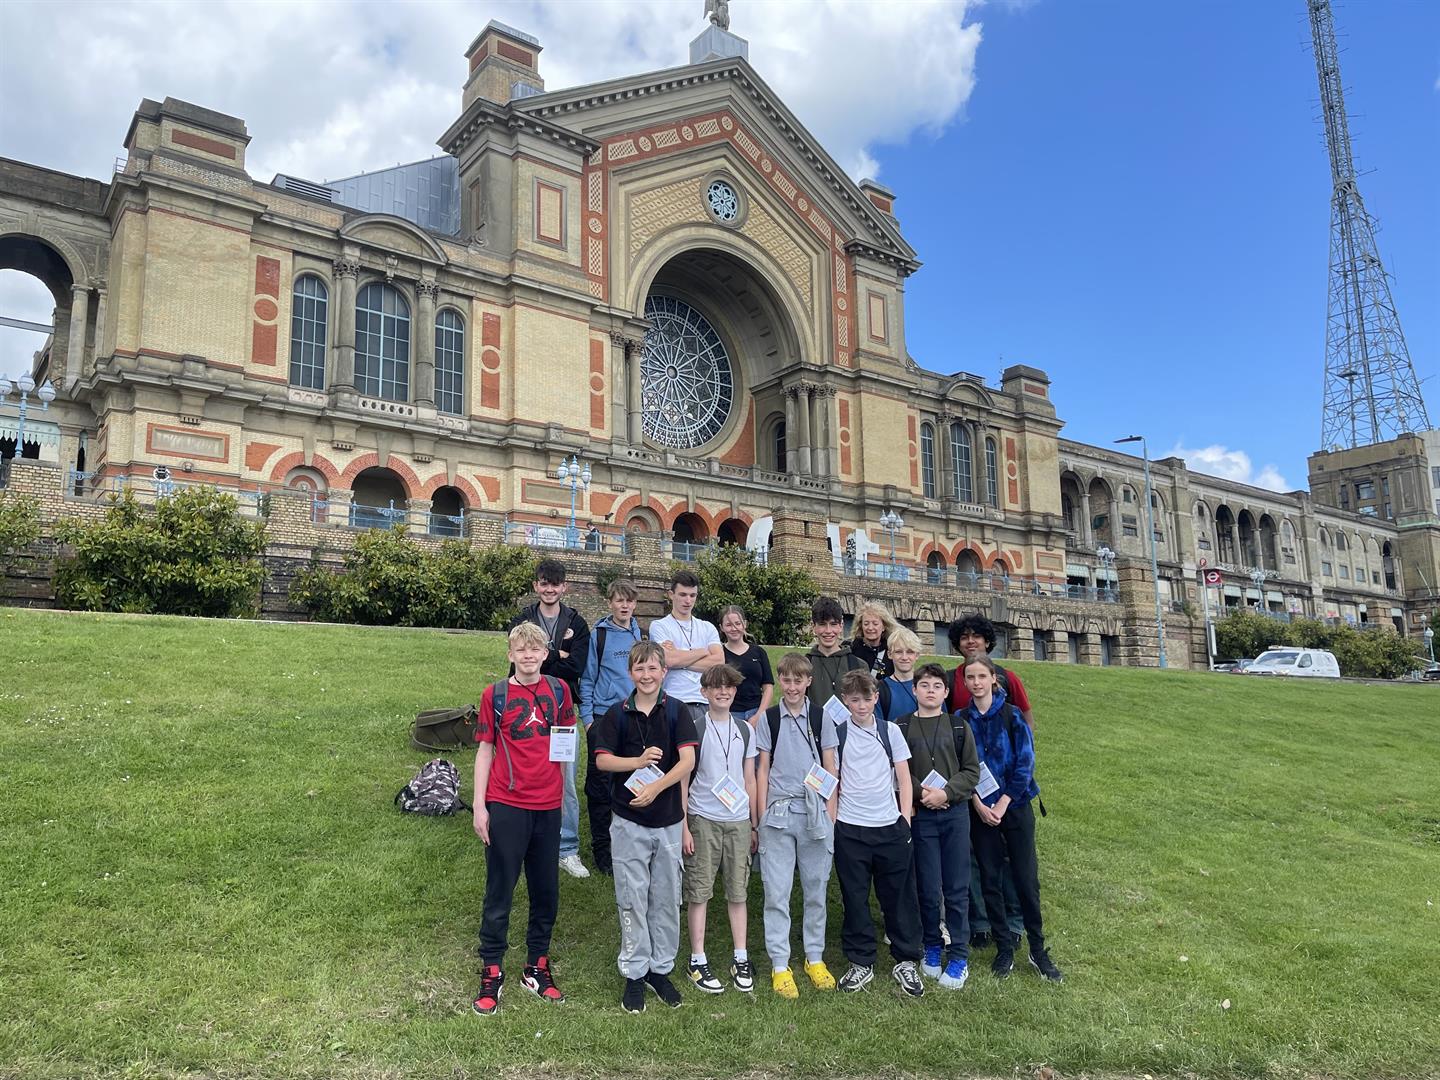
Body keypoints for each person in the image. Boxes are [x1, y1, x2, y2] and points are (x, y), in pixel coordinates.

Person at [470, 623, 578, 1015]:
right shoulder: (495, 695)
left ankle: (536, 965)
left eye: (535, 649)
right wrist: (479, 806)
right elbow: (485, 750)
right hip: (506, 802)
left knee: (546, 889)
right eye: (521, 650)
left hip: (547, 806)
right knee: (500, 888)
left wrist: (562, 797)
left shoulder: (559, 691)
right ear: (510, 655)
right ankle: (492, 968)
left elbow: (566, 745)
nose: (528, 655)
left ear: (545, 654)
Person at [592, 641, 699, 1013]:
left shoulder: (677, 711)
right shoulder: (617, 714)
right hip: (628, 822)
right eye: (639, 668)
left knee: (666, 898)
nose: (646, 675)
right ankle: (635, 972)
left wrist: (656, 787)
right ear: (630, 673)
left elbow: (687, 761)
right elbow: (603, 761)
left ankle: (660, 970)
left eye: (653, 668)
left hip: (668, 821)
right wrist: (636, 762)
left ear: (664, 671)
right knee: (632, 897)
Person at [960, 656, 1063, 983]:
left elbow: (1025, 764)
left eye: (982, 676)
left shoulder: (1012, 715)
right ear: (965, 682)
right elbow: (961, 767)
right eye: (970, 677)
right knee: (989, 877)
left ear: (993, 678)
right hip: (980, 809)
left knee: (1025, 878)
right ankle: (1004, 946)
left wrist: (1004, 802)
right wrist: (977, 803)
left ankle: (1037, 948)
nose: (976, 682)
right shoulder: (960, 720)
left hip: (1014, 806)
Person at [830, 669, 925, 997]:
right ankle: (861, 962)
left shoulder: (890, 731)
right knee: (855, 898)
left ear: (875, 698)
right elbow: (833, 782)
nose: (861, 705)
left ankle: (906, 960)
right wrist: (834, 823)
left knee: (899, 897)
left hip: (890, 828)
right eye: (855, 699)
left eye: (867, 699)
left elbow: (904, 780)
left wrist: (904, 821)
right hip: (851, 829)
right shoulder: (838, 734)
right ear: (845, 700)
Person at [756, 652, 838, 998]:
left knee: (816, 890)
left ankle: (814, 958)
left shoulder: (821, 718)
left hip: (815, 815)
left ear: (808, 682)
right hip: (777, 815)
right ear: (780, 681)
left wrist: (830, 816)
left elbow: (831, 768)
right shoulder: (769, 718)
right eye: (786, 680)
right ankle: (780, 963)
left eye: (798, 680)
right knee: (777, 892)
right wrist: (760, 817)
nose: (791, 687)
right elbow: (762, 769)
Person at [946, 613, 1031, 948]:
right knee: (975, 857)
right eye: (964, 636)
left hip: (1008, 788)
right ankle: (980, 921)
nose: (970, 641)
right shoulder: (952, 682)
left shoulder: (1009, 681)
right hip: (972, 786)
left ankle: (1013, 922)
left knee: (1010, 859)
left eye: (976, 636)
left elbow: (1024, 723)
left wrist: (1016, 777)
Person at [897, 662, 980, 990]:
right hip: (921, 818)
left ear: (945, 692)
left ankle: (959, 955)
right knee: (928, 888)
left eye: (936, 686)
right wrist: (923, 794)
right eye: (924, 685)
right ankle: (932, 945)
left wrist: (946, 793)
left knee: (956, 888)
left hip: (954, 816)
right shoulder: (901, 726)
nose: (930, 691)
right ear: (914, 690)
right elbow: (898, 770)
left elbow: (971, 770)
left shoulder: (958, 726)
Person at [509, 558, 592, 879]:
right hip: (525, 708)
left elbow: (577, 667)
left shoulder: (577, 623)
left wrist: (546, 658)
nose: (549, 589)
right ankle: (527, 841)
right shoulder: (522, 620)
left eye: (555, 584)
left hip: (562, 711)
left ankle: (567, 848)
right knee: (526, 773)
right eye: (544, 583)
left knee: (565, 779)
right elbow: (520, 663)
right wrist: (559, 654)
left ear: (564, 587)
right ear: (536, 585)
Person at [681, 664, 759, 994]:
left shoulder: (745, 730)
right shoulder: (695, 728)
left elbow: (750, 778)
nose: (723, 692)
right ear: (704, 692)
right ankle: (697, 958)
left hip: (738, 820)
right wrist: (684, 826)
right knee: (699, 890)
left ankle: (741, 956)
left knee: (738, 891)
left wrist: (753, 823)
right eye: (716, 687)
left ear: (735, 692)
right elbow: (683, 780)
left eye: (728, 687)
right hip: (703, 818)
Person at [578, 578, 645, 876]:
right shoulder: (599, 635)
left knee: (631, 780)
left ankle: (627, 845)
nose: (624, 606)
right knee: (600, 787)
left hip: (633, 716)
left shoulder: (639, 634)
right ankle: (602, 851)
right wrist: (589, 721)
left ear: (635, 604)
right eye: (619, 600)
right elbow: (587, 679)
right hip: (603, 717)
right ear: (610, 603)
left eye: (629, 601)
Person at [648, 569, 724, 723]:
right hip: (674, 700)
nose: (688, 600)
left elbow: (718, 662)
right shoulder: (659, 626)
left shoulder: (707, 627)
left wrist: (678, 656)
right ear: (671, 595)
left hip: (706, 701)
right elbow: (669, 660)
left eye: (692, 595)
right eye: (683, 595)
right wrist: (702, 651)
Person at [806, 596, 866, 707]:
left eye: (833, 624)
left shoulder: (859, 666)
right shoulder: (804, 665)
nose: (828, 631)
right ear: (814, 627)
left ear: (841, 626)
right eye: (822, 624)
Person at [719, 605, 773, 724]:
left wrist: (759, 715)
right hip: (730, 714)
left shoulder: (759, 652)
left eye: (737, 624)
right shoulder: (719, 654)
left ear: (745, 624)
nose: (734, 628)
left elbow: (768, 687)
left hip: (757, 711)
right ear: (721, 627)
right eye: (728, 625)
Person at [877, 626, 921, 722]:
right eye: (898, 652)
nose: (904, 657)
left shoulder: (929, 686)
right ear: (889, 654)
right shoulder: (880, 689)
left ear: (917, 655)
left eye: (910, 652)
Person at [850, 601, 900, 680]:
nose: (870, 628)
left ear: (884, 626)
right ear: (861, 626)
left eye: (875, 624)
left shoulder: (891, 651)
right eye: (866, 624)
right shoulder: (852, 650)